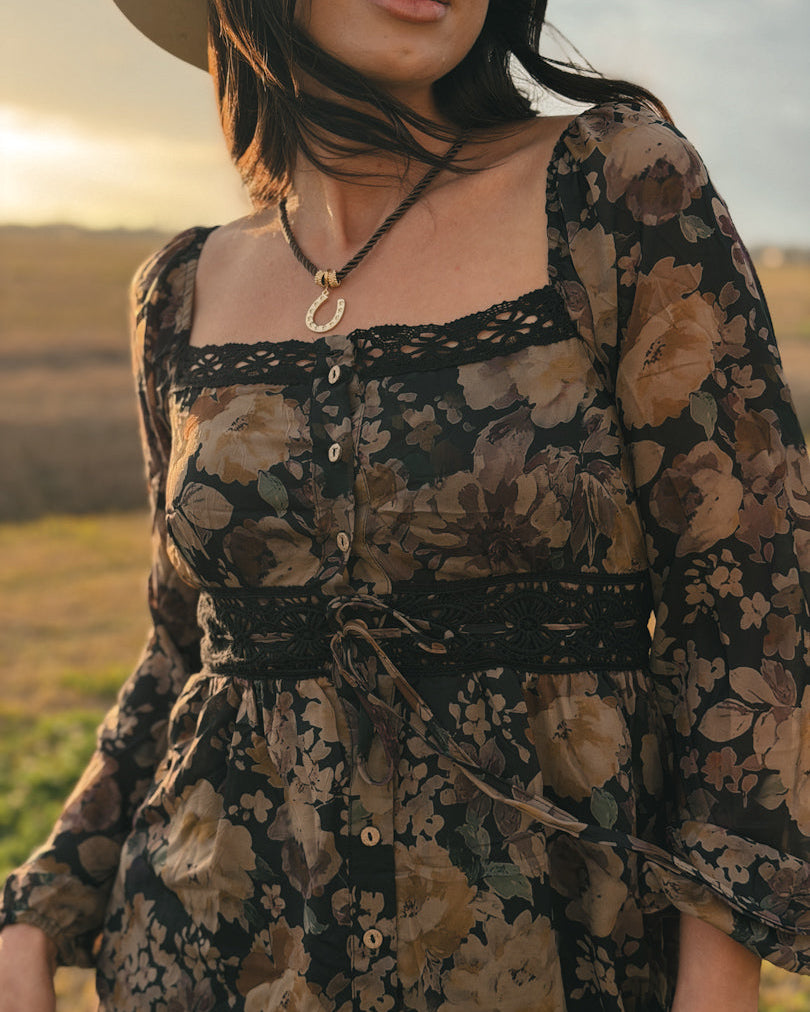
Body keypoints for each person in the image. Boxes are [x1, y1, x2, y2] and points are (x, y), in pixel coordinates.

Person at [1, 1, 809, 1009]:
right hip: (205, 959)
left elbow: (751, 614)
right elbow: (184, 653)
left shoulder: (617, 186)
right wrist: (38, 907)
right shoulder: (179, 289)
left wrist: (721, 980)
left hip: (552, 960)